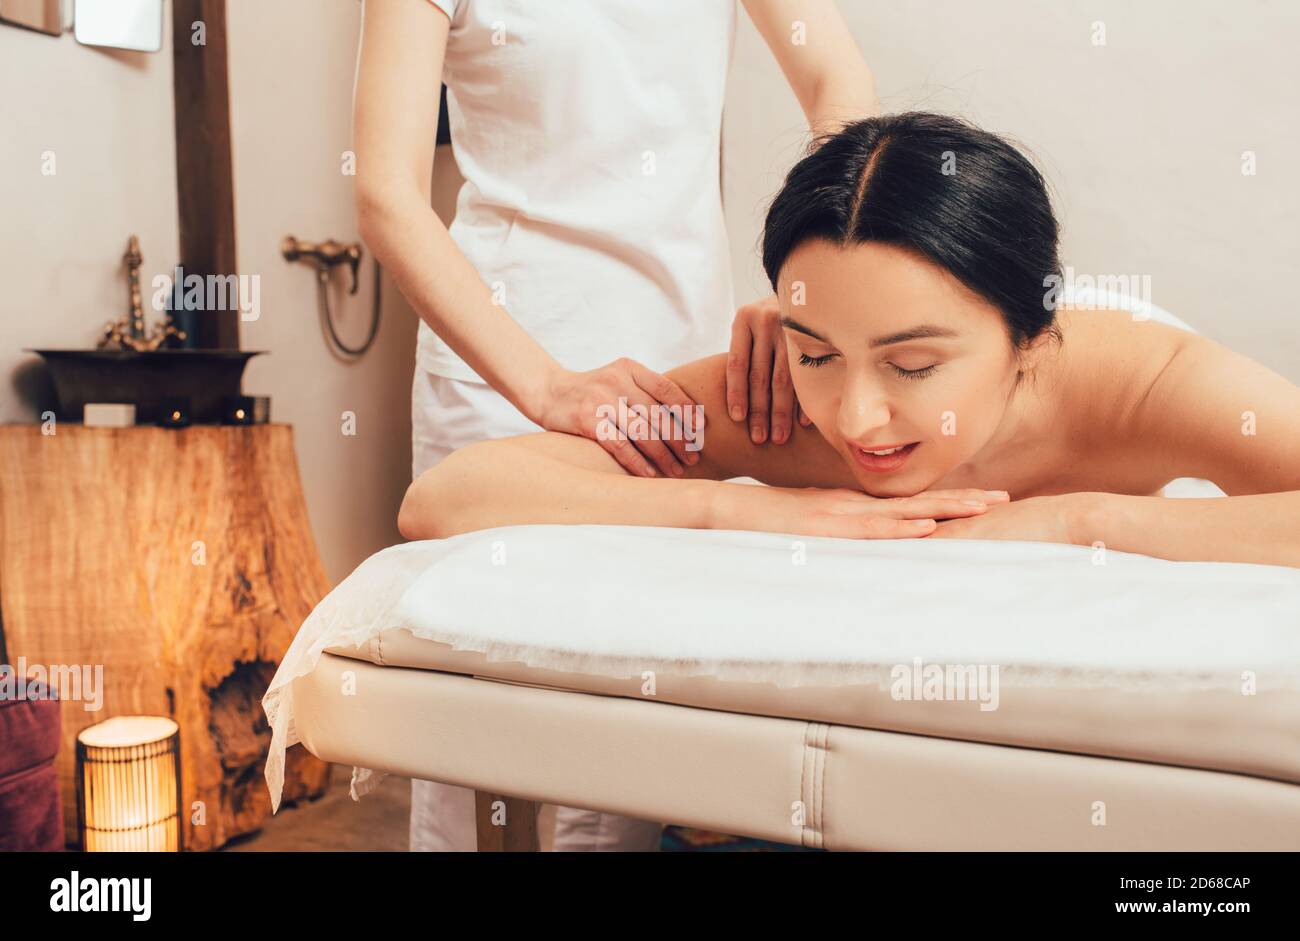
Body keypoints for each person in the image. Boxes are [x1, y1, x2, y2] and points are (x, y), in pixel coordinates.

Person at [353, 0, 879, 850]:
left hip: (675, 374)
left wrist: (804, 284)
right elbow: (384, 195)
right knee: (454, 728)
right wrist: (547, 386)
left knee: (623, 732)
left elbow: (837, 79)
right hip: (500, 366)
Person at [396, 111, 1300, 570]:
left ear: (1029, 339)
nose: (857, 418)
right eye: (817, 351)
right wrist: (740, 505)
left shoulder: (1145, 386)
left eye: (913, 364)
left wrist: (1082, 519)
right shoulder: (776, 397)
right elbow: (446, 499)